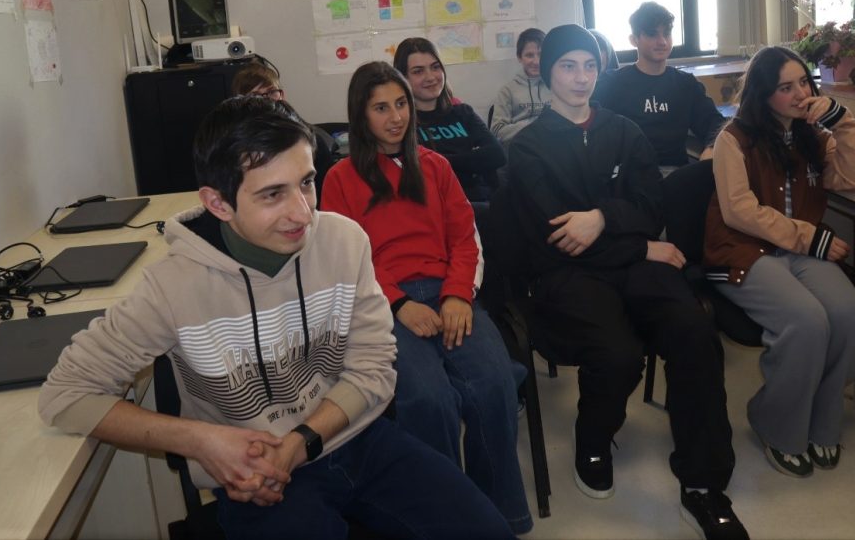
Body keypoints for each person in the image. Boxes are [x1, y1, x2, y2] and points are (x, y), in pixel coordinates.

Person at [38, 96, 513, 540]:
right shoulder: (171, 287)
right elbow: (66, 395)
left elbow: (373, 368)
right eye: (272, 194)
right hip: (257, 474)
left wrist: (301, 442)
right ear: (218, 203)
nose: (302, 213)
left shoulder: (344, 241)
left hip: (356, 439)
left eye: (306, 182)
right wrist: (201, 442)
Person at [507, 24, 747, 540]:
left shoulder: (623, 131)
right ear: (547, 72)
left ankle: (703, 484)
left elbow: (651, 206)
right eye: (568, 66)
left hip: (633, 264)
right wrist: (637, 244)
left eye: (590, 66)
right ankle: (593, 438)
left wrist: (601, 218)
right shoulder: (527, 148)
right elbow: (557, 237)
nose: (581, 77)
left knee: (694, 332)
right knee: (617, 353)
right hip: (567, 274)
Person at [320, 62, 532, 535]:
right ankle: (445, 519)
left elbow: (465, 239)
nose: (396, 117)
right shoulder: (339, 178)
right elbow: (346, 260)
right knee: (429, 400)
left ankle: (498, 517)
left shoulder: (435, 166)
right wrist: (398, 304)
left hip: (448, 291)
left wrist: (457, 296)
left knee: (493, 384)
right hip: (384, 304)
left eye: (401, 104)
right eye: (381, 108)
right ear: (361, 115)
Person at [703, 45, 855, 478]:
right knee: (806, 321)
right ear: (763, 95)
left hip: (799, 252)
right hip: (743, 251)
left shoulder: (812, 135)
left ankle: (822, 418)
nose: (800, 94)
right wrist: (809, 237)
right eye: (785, 87)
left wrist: (843, 121)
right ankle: (776, 424)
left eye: (804, 83)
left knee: (852, 320)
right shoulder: (733, 139)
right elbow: (739, 212)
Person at [596, 1, 725, 172]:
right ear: (634, 40)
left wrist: (711, 148)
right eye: (652, 34)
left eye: (667, 33)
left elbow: (715, 124)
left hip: (676, 174)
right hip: (629, 174)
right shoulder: (612, 83)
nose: (662, 41)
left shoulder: (686, 84)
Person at [393, 37, 506, 201]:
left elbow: (497, 155)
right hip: (439, 204)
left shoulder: (463, 112)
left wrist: (440, 160)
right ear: (403, 78)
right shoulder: (402, 123)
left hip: (483, 200)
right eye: (418, 71)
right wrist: (472, 159)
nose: (430, 77)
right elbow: (418, 170)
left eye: (435, 67)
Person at [230, 59, 339, 198]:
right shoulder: (233, 149)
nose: (267, 101)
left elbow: (327, 195)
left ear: (282, 95)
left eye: (271, 92)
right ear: (240, 103)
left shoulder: (310, 141)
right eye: (255, 96)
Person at [490, 27, 551, 145]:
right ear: (519, 57)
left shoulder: (557, 86)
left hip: (552, 147)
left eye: (541, 54)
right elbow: (497, 131)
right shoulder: (507, 91)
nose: (536, 61)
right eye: (529, 55)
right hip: (520, 149)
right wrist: (536, 124)